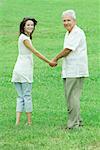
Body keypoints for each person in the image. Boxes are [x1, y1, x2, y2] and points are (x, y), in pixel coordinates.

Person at [12, 17, 56, 125]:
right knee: (26, 96)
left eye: (32, 25)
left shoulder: (23, 37)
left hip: (18, 70)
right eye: (28, 25)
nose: (31, 27)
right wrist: (49, 62)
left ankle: (17, 122)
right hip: (24, 71)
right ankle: (29, 121)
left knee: (20, 96)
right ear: (23, 27)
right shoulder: (25, 39)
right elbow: (35, 52)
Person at [50, 10, 89, 129]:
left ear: (74, 21)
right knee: (71, 96)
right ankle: (78, 121)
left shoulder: (77, 32)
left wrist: (55, 58)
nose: (66, 22)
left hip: (75, 70)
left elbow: (68, 50)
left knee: (72, 97)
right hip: (70, 69)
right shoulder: (69, 33)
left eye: (68, 20)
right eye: (64, 20)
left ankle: (73, 125)